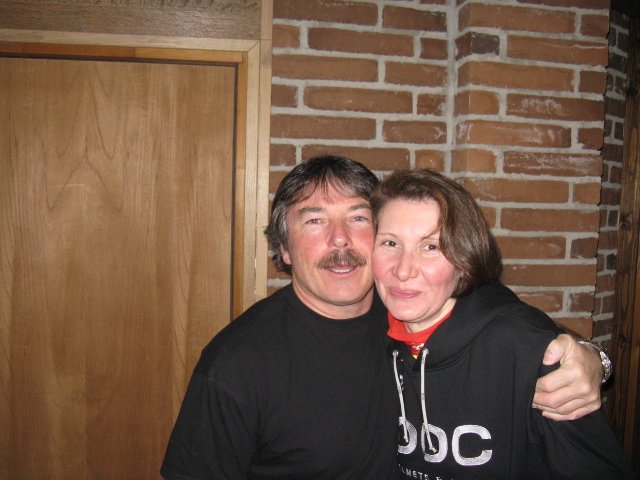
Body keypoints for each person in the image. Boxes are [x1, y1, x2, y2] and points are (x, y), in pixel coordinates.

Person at [161, 155, 607, 480]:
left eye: (358, 218)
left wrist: (588, 356)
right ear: (284, 248)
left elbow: (499, 314)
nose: (340, 240)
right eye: (314, 221)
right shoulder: (236, 363)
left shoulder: (408, 305)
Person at [370, 168, 633, 479]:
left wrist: (595, 359)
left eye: (431, 247)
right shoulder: (369, 333)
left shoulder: (523, 347)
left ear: (465, 261)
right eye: (390, 243)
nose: (403, 270)